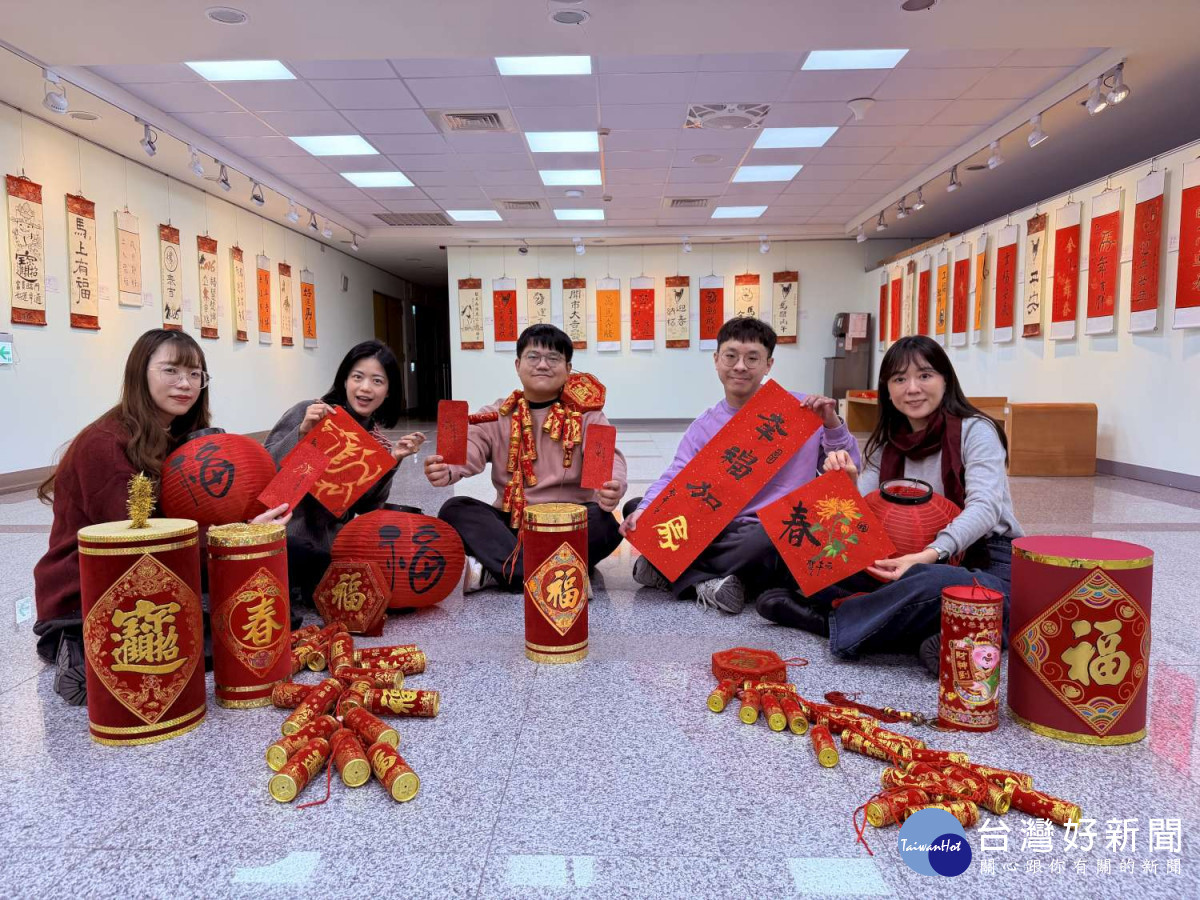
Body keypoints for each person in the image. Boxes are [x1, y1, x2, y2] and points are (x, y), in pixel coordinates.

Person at [33, 328, 290, 703]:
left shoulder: (175, 435)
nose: (185, 384)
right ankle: (75, 643)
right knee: (216, 641)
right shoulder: (105, 443)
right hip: (89, 590)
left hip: (152, 574)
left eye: (195, 374)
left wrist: (248, 524)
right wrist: (237, 533)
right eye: (171, 370)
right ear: (140, 373)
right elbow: (137, 541)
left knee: (267, 618)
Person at [756, 334, 1024, 675]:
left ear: (945, 380)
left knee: (953, 588)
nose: (912, 388)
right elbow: (863, 518)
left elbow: (985, 508)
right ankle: (937, 630)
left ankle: (829, 621)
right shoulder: (888, 443)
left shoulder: (977, 430)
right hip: (900, 552)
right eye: (899, 379)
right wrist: (847, 484)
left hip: (983, 555)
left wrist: (926, 556)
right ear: (887, 388)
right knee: (805, 546)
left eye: (924, 375)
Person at [620, 317, 860, 614]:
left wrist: (832, 424)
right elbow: (676, 474)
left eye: (752, 358)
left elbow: (850, 468)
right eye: (731, 356)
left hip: (766, 531)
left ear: (769, 364)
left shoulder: (800, 410)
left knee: (770, 539)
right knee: (636, 509)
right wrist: (646, 511)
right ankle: (708, 580)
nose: (740, 366)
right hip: (715, 526)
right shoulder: (704, 425)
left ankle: (678, 574)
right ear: (716, 360)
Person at [425, 324, 627, 592]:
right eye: (533, 357)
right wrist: (448, 468)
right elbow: (472, 445)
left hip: (567, 521)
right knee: (455, 508)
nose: (542, 365)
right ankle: (559, 573)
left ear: (568, 368)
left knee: (605, 523)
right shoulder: (498, 413)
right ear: (518, 365)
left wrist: (612, 485)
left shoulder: (587, 414)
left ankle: (507, 570)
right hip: (512, 524)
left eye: (553, 358)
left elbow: (608, 459)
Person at [264, 339, 425, 605]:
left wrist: (393, 459)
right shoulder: (310, 412)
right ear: (345, 380)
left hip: (329, 543)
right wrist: (302, 433)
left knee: (389, 581)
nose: (365, 388)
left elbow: (367, 507)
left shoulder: (377, 441)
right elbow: (265, 469)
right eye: (357, 377)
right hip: (284, 533)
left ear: (388, 391)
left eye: (377, 381)